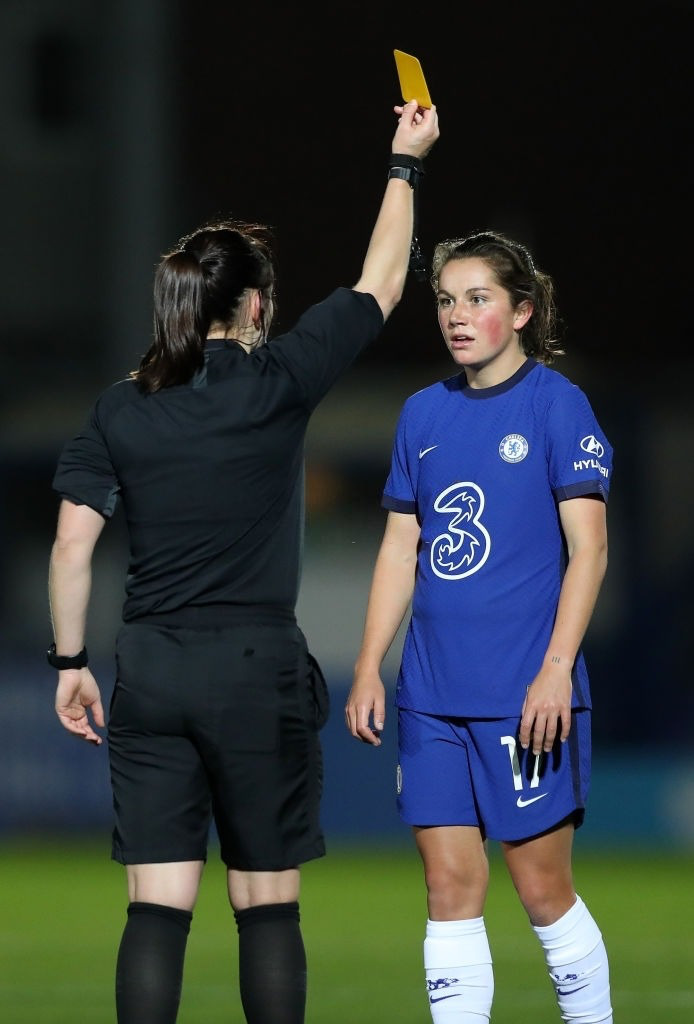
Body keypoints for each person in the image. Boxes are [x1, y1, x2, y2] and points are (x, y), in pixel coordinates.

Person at [47, 97, 439, 1024]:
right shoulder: (279, 381)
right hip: (257, 667)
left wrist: (70, 663)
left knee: (155, 907)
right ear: (257, 303)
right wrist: (405, 161)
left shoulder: (122, 406)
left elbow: (72, 543)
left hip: (151, 666)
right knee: (265, 905)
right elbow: (382, 283)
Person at [345, 230, 614, 1023]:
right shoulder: (422, 413)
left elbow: (590, 550)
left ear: (522, 310)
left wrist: (557, 669)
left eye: (478, 298)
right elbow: (402, 547)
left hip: (524, 694)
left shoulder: (556, 403)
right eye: (445, 300)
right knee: (449, 888)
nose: (457, 316)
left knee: (541, 889)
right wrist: (369, 665)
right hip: (431, 697)